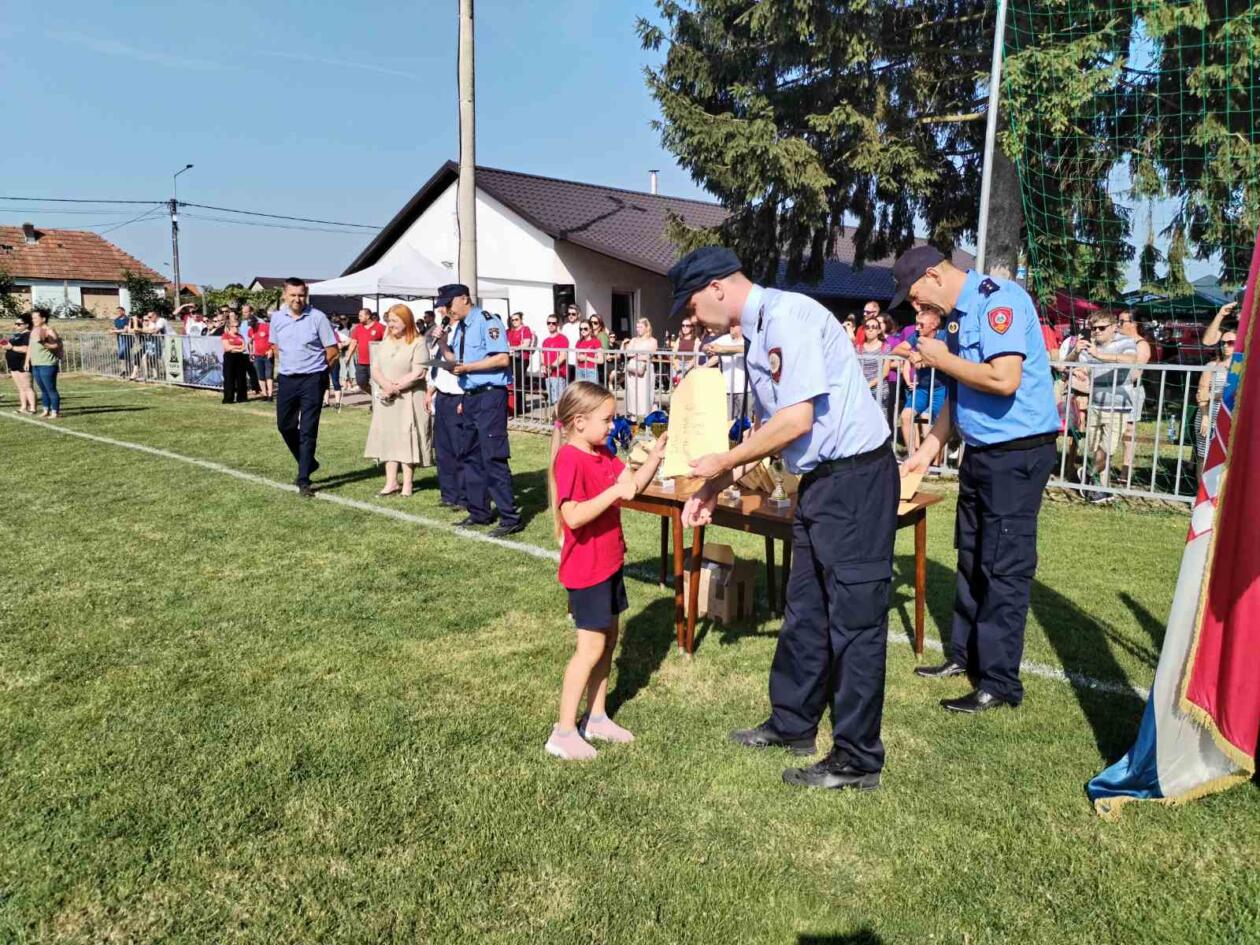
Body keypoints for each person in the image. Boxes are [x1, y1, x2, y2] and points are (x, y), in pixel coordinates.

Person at [672, 246, 898, 792]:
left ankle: (856, 758)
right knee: (806, 611)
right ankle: (794, 724)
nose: (691, 316)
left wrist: (722, 461)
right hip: (821, 483)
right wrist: (717, 485)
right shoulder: (761, 332)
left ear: (718, 287)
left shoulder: (789, 317)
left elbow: (795, 418)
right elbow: (770, 434)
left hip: (855, 481)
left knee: (855, 622)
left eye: (692, 302)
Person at [893, 246, 1061, 713]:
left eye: (914, 296)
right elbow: (960, 395)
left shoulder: (997, 300)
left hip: (1018, 452)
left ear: (932, 275)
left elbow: (1003, 379)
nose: (915, 307)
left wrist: (940, 359)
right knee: (971, 556)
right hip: (982, 451)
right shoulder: (956, 316)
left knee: (1003, 565)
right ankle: (963, 657)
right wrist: (926, 452)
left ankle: (999, 681)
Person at [545, 381, 669, 760]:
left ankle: (595, 717)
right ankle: (563, 731)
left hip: (610, 561)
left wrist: (654, 458)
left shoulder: (602, 453)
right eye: (607, 419)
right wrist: (612, 493)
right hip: (587, 569)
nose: (612, 426)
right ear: (579, 422)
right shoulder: (570, 458)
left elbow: (630, 487)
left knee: (609, 642)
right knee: (590, 648)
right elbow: (574, 516)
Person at [435, 283, 523, 537]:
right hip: (471, 396)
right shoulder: (459, 328)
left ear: (464, 299)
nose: (446, 310)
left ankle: (509, 517)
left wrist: (469, 369)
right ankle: (479, 512)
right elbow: (456, 363)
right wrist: (442, 344)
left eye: (449, 304)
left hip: (489, 397)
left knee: (492, 455)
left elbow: (502, 358)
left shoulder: (487, 320)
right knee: (470, 455)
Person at [270, 278, 339, 497]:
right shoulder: (277, 319)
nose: (297, 299)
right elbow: (275, 345)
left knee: (308, 430)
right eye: (293, 295)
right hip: (288, 379)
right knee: (285, 426)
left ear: (306, 294)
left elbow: (333, 350)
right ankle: (308, 463)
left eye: (301, 295)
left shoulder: (318, 318)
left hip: (313, 380)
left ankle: (304, 479)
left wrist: (319, 374)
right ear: (284, 295)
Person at [1066, 312, 1139, 500]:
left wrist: (1100, 355)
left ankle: (1089, 474)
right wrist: (1075, 351)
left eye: (1102, 328)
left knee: (1107, 448)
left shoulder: (1125, 342)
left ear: (1114, 327)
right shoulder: (1089, 345)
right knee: (1093, 448)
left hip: (1119, 406)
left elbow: (1131, 360)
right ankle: (1096, 488)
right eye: (1094, 328)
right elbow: (1064, 365)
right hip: (1095, 404)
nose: (1097, 331)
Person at [364, 304, 431, 496]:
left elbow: (419, 372)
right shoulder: (386, 342)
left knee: (406, 438)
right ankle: (391, 482)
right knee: (388, 437)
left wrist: (395, 388)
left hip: (408, 398)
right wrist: (386, 385)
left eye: (394, 320)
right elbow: (375, 369)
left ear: (406, 321)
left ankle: (408, 483)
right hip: (387, 399)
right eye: (388, 320)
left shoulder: (418, 342)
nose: (390, 324)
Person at [426, 307, 470, 510]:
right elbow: (437, 364)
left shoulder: (463, 332)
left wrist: (465, 397)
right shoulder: (440, 332)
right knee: (442, 449)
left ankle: (463, 495)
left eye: (445, 307)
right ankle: (448, 493)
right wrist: (430, 391)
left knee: (459, 447)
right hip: (442, 394)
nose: (442, 311)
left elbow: (460, 365)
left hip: (458, 394)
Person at [891, 308, 947, 454]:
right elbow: (896, 349)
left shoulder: (945, 336)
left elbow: (945, 355)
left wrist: (923, 358)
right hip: (922, 387)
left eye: (921, 325)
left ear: (934, 325)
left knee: (936, 424)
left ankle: (935, 465)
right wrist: (912, 354)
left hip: (941, 387)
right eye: (917, 324)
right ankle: (912, 457)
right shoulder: (916, 335)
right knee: (905, 416)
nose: (917, 327)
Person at [1117, 310, 1152, 485]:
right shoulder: (1117, 342)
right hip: (1113, 389)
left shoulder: (1141, 344)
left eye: (1123, 321)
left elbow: (1136, 372)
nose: (1119, 324)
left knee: (1128, 431)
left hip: (1132, 390)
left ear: (1134, 324)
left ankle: (1126, 469)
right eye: (1118, 321)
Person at [1195, 330, 1235, 478]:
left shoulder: (1243, 368)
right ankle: (1200, 496)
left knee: (1227, 457)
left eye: (1230, 343)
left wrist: (1214, 395)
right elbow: (1201, 393)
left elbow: (1238, 394)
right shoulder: (1211, 365)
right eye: (1223, 343)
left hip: (1231, 418)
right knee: (1203, 455)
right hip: (1209, 415)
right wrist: (1205, 416)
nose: (1226, 346)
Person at [703, 322, 746, 420]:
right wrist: (708, 348)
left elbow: (744, 348)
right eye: (730, 325)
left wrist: (723, 349)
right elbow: (705, 346)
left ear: (741, 326)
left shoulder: (747, 339)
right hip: (726, 389)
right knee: (726, 421)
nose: (731, 327)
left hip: (744, 389)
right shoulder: (725, 339)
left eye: (733, 325)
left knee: (745, 422)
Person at [25, 309, 62, 418]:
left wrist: (43, 342)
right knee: (43, 389)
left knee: (50, 389)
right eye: (33, 318)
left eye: (35, 318)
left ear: (43, 319)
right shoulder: (34, 330)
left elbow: (56, 346)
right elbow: (30, 347)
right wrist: (27, 361)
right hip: (36, 364)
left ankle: (55, 412)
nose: (33, 320)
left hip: (47, 364)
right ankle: (46, 410)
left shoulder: (49, 330)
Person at [622, 317, 658, 420]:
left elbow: (650, 355)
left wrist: (636, 355)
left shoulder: (652, 341)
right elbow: (628, 353)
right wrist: (639, 355)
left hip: (645, 371)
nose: (638, 329)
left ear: (647, 327)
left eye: (640, 327)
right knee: (633, 395)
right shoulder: (634, 340)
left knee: (645, 395)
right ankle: (633, 419)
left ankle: (647, 420)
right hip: (633, 371)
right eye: (637, 327)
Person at [346, 308, 386, 399]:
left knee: (379, 383)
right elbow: (353, 343)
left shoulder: (380, 327)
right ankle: (375, 397)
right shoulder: (358, 328)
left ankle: (378, 402)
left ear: (368, 316)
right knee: (361, 383)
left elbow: (387, 342)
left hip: (376, 362)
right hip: (362, 362)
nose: (358, 317)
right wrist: (348, 356)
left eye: (360, 315)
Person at [2, 312, 36, 413]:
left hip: (23, 363)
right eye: (16, 323)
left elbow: (27, 349)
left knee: (27, 386)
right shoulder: (16, 335)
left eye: (19, 324)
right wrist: (6, 346)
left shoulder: (28, 335)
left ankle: (33, 408)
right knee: (20, 387)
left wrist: (11, 347)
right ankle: (23, 407)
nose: (16, 325)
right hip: (14, 364)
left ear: (27, 325)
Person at [506, 311, 535, 416]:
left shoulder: (525, 330)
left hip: (522, 358)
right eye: (512, 320)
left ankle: (520, 407)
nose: (514, 322)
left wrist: (515, 348)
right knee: (512, 383)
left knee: (519, 382)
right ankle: (514, 406)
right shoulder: (509, 331)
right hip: (511, 358)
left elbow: (526, 344)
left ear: (521, 320)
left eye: (516, 319)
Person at [860, 312, 890, 409]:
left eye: (874, 327)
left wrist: (870, 384)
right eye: (867, 327)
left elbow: (885, 372)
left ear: (879, 331)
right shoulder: (858, 348)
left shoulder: (885, 347)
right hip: (862, 389)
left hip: (879, 389)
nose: (870, 329)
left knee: (880, 419)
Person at [541, 314, 569, 410]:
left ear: (557, 324)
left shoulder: (563, 338)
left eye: (553, 323)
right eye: (549, 323)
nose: (551, 325)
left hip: (558, 374)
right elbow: (542, 355)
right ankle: (558, 420)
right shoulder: (545, 341)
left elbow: (562, 356)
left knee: (560, 400)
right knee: (553, 400)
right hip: (548, 374)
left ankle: (561, 421)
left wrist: (550, 367)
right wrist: (542, 365)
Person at [220, 314, 250, 404]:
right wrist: (237, 348)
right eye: (235, 326)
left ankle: (242, 397)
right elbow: (227, 347)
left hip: (240, 358)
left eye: (238, 326)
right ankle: (228, 398)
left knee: (241, 378)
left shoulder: (240, 336)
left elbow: (244, 347)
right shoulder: (226, 335)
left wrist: (234, 348)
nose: (237, 328)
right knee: (229, 377)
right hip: (229, 358)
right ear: (230, 327)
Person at [325, 317, 351, 409]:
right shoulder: (322, 334)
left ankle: (337, 403)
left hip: (334, 360)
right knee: (325, 382)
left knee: (335, 381)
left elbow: (349, 340)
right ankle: (326, 402)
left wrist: (341, 345)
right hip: (324, 361)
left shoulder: (336, 334)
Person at [249, 309, 275, 401]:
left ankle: (270, 395)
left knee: (269, 375)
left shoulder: (266, 327)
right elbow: (251, 342)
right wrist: (251, 352)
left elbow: (273, 339)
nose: (252, 327)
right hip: (257, 355)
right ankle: (264, 394)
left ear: (256, 322)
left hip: (267, 354)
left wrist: (271, 349)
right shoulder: (251, 330)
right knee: (260, 375)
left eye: (253, 324)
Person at [671, 316, 700, 384]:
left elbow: (696, 357)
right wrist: (678, 368)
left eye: (687, 326)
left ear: (692, 327)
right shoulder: (679, 339)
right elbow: (672, 354)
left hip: (689, 366)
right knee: (676, 387)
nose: (685, 327)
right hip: (678, 365)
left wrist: (685, 369)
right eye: (683, 325)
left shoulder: (696, 339)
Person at [561, 306, 582, 382]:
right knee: (568, 384)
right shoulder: (565, 327)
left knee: (579, 385)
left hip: (579, 360)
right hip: (567, 360)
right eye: (569, 314)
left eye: (573, 314)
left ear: (578, 315)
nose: (570, 316)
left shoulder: (582, 326)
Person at [109, 306, 131, 377]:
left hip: (127, 338)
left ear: (123, 312)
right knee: (123, 355)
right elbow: (116, 328)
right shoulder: (116, 320)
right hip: (120, 338)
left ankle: (127, 369)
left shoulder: (127, 319)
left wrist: (114, 331)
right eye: (116, 311)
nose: (117, 313)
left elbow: (125, 330)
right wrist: (112, 330)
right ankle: (124, 370)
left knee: (122, 353)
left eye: (119, 311)